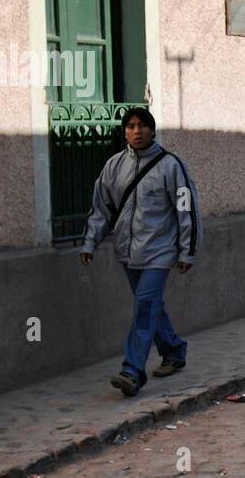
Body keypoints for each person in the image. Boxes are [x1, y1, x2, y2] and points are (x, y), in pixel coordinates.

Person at [80, 107, 202, 397]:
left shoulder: (172, 166)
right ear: (124, 131)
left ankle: (132, 371)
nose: (137, 131)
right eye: (131, 126)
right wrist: (90, 242)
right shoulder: (114, 166)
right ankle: (173, 349)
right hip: (127, 251)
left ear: (152, 129)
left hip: (160, 251)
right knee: (150, 306)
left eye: (142, 126)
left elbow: (187, 210)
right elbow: (102, 208)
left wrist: (187, 251)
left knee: (144, 306)